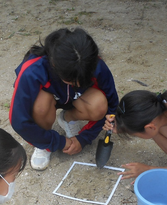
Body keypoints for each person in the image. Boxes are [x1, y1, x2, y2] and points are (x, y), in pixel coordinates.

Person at [9, 27, 119, 170]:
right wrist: (57, 142)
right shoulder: (32, 70)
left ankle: (68, 119)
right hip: (48, 100)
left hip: (77, 99)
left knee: (99, 105)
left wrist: (83, 138)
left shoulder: (95, 64)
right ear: (54, 65)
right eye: (72, 81)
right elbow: (19, 121)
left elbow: (112, 105)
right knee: (40, 105)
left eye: (82, 79)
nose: (78, 84)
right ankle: (43, 144)